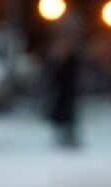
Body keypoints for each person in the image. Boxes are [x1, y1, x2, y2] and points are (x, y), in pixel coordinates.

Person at [45, 13, 84, 148]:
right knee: (63, 110)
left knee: (69, 111)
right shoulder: (59, 50)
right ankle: (64, 135)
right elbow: (54, 73)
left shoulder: (73, 51)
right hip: (62, 91)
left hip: (69, 90)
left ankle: (69, 135)